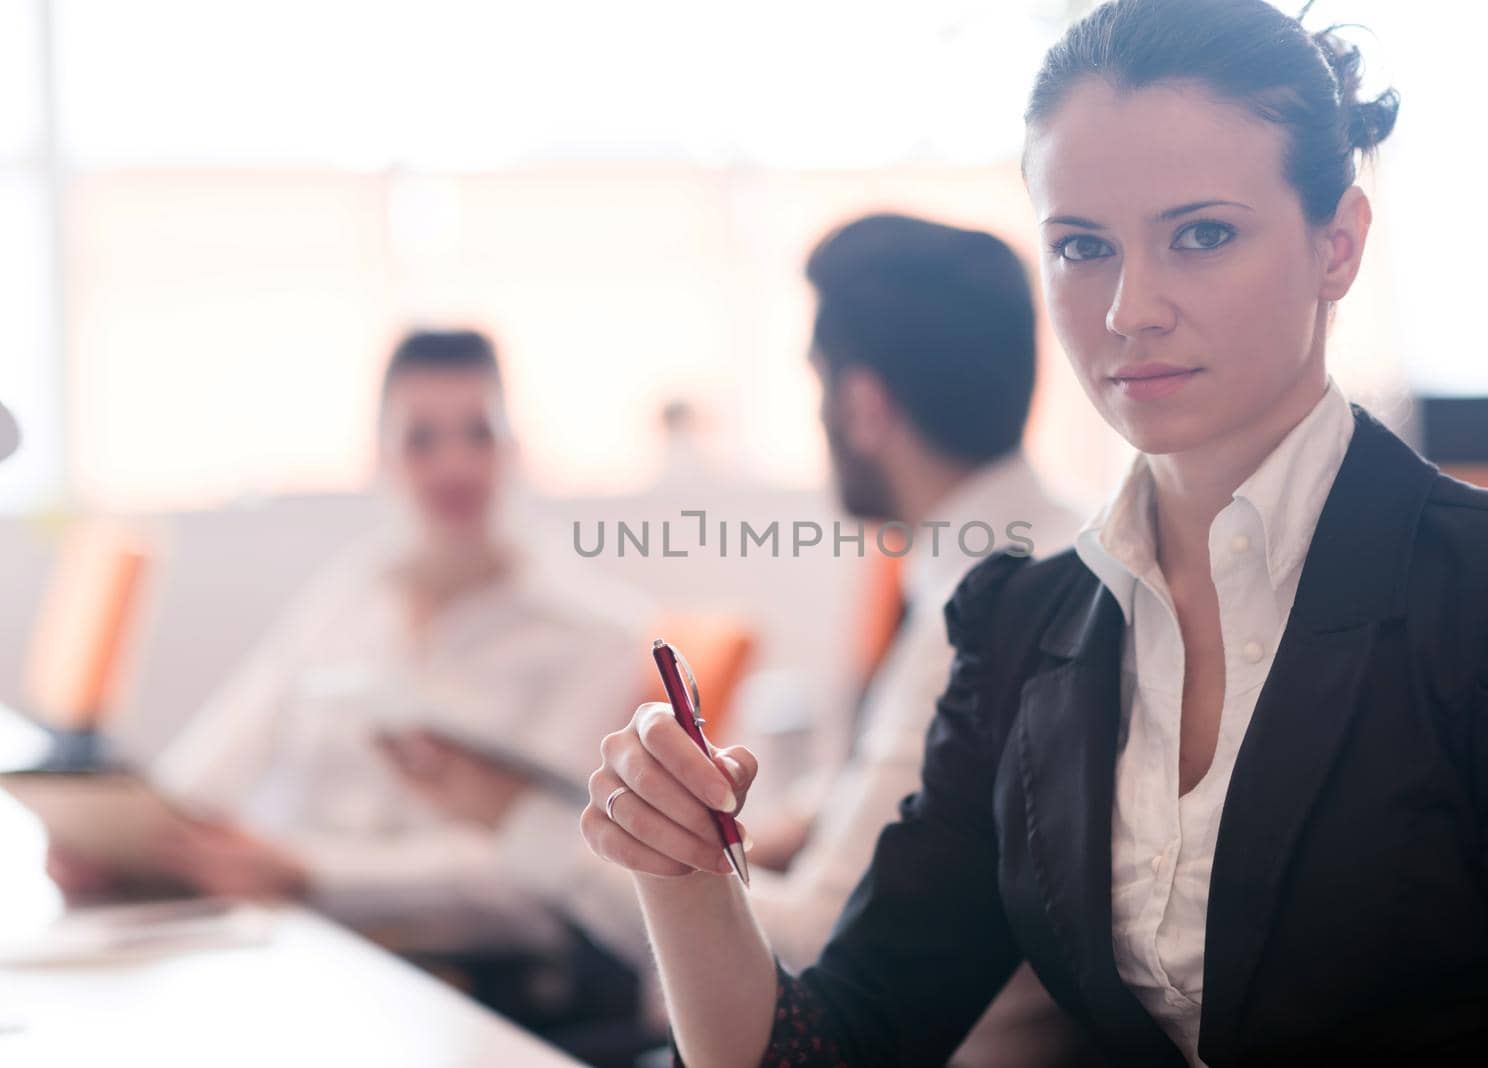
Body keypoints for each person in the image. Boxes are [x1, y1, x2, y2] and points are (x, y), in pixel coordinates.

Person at [579, 2, 1488, 1065]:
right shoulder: (1023, 632)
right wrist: (678, 864)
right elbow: (822, 1049)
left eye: (1200, 235)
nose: (1129, 309)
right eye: (1081, 247)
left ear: (1335, 245)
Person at [388, 214, 1088, 1064]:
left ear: (862, 403)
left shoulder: (987, 608)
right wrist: (804, 820)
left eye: (816, 383)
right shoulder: (1010, 556)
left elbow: (822, 953)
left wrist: (524, 821)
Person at [49, 330, 649, 961]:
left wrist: (309, 872)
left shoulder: (594, 638)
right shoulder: (346, 601)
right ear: (383, 456)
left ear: (515, 448)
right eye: (421, 439)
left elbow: (549, 867)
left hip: (468, 976)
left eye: (479, 433)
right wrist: (127, 841)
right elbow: (218, 761)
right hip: (298, 941)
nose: (454, 465)